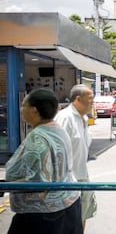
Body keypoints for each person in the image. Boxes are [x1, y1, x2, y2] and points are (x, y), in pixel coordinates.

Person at [6, 88, 82, 234]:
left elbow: (39, 182)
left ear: (34, 110)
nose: (22, 110)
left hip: (45, 214)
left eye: (24, 105)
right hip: (68, 203)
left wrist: (7, 185)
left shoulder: (38, 138)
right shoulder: (57, 129)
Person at [54, 84, 98, 231]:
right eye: (90, 98)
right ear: (78, 99)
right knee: (70, 223)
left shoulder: (83, 118)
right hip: (68, 180)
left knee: (82, 216)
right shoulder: (65, 118)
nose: (93, 102)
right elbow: (57, 150)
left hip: (82, 176)